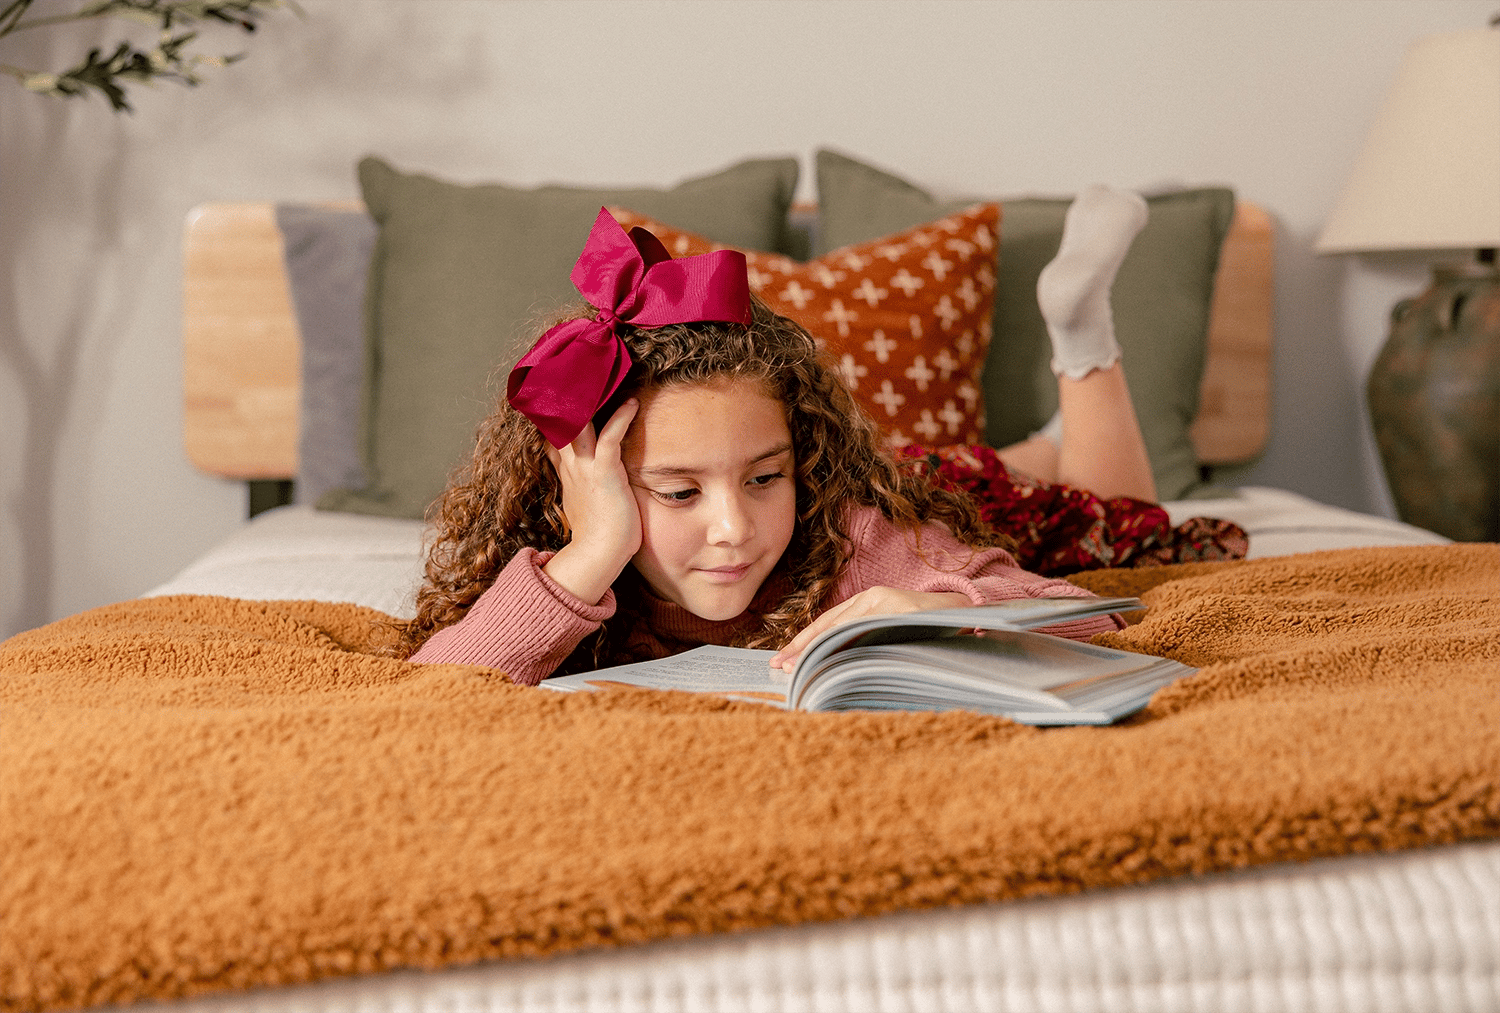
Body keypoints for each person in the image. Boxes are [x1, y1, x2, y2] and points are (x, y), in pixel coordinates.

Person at [398, 192, 1158, 685]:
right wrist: (591, 554)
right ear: (584, 486)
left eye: (766, 477)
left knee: (1113, 513)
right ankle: (1047, 438)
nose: (733, 528)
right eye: (681, 490)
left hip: (941, 498)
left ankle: (1082, 343)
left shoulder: (856, 533)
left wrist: (921, 603)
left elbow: (1090, 614)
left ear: (805, 461)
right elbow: (435, 691)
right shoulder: (564, 566)